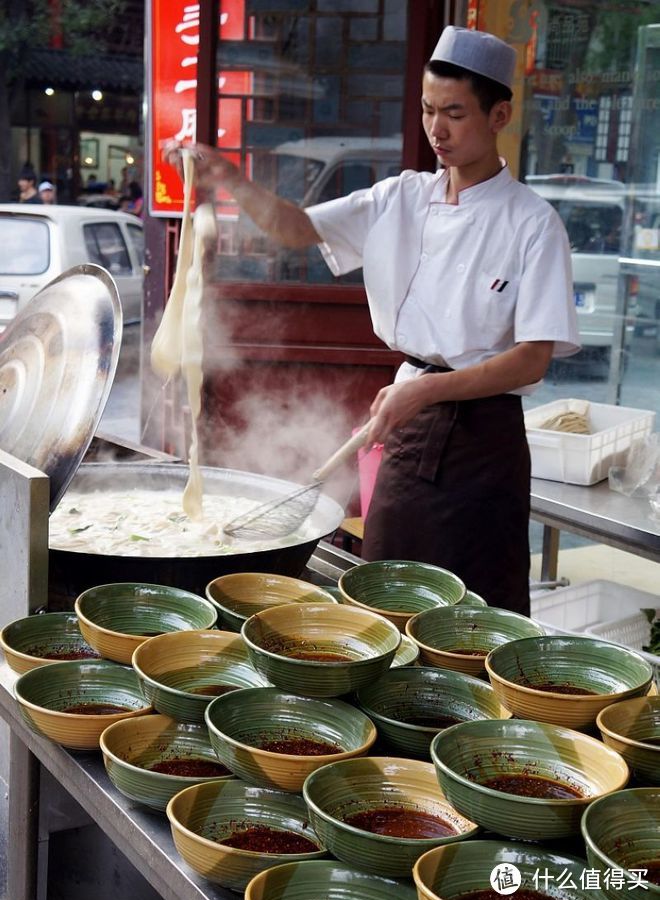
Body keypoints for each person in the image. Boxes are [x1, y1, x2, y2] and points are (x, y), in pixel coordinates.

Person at [165, 26, 580, 615]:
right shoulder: (400, 198)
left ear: (499, 115)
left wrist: (430, 389)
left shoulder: (533, 224)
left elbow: (533, 356)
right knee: (386, 592)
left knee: (476, 610)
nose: (437, 129)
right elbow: (293, 227)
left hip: (485, 439)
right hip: (409, 418)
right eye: (428, 110)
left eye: (455, 114)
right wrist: (229, 178)